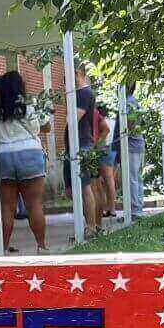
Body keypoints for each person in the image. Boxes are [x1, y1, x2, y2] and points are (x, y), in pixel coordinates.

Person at [0, 71, 51, 252]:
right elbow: (47, 127)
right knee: (34, 204)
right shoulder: (30, 107)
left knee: (6, 207)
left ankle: (1, 248)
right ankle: (41, 246)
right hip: (30, 155)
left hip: (3, 156)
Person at [62, 62, 100, 235]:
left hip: (82, 145)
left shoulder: (84, 93)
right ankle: (89, 224)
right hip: (74, 146)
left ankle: (91, 226)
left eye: (66, 79)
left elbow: (73, 119)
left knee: (85, 188)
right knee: (71, 190)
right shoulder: (81, 93)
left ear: (77, 74)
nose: (65, 84)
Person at [113, 83, 147, 217]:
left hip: (132, 145)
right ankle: (137, 208)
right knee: (136, 178)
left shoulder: (128, 103)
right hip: (137, 144)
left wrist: (124, 130)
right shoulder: (133, 102)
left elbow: (131, 123)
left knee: (132, 178)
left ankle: (136, 211)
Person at [96, 103, 117, 218]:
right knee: (110, 181)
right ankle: (111, 208)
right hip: (113, 150)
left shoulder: (102, 122)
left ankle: (106, 209)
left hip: (104, 149)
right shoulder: (113, 121)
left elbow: (105, 133)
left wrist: (97, 145)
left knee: (105, 181)